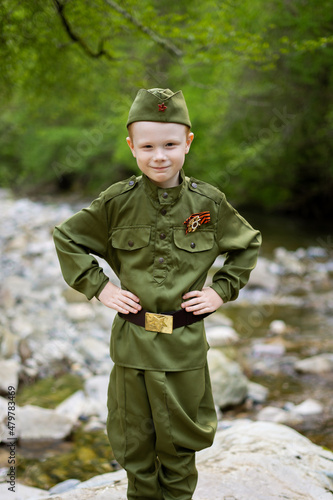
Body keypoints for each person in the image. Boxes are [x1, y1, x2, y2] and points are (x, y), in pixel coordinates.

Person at [53, 88, 261, 500]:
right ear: (132, 147)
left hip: (184, 348)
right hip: (133, 346)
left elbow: (247, 244)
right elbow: (67, 238)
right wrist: (100, 288)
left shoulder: (207, 205)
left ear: (188, 142)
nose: (159, 156)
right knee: (136, 448)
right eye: (147, 146)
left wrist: (221, 291)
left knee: (182, 447)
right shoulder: (117, 203)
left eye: (170, 144)